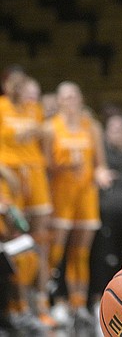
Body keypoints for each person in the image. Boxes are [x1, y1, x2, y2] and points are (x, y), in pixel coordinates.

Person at [43, 81, 113, 330]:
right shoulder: (50, 128)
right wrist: (65, 166)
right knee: (55, 253)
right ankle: (51, 302)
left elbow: (100, 163)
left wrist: (101, 174)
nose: (70, 100)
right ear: (58, 101)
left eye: (73, 96)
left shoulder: (91, 126)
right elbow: (47, 167)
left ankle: (78, 304)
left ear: (80, 99)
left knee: (80, 254)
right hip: (60, 196)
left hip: (85, 197)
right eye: (65, 97)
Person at [0, 73, 54, 329]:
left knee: (40, 243)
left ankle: (40, 304)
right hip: (10, 179)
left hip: (35, 176)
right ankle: (16, 305)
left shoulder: (35, 110)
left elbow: (46, 137)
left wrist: (43, 161)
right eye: (17, 86)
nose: (21, 90)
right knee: (15, 241)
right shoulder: (2, 107)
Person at [89, 114, 122, 307]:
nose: (117, 133)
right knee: (103, 261)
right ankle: (99, 303)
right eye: (112, 129)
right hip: (105, 219)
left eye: (120, 130)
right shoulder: (98, 160)